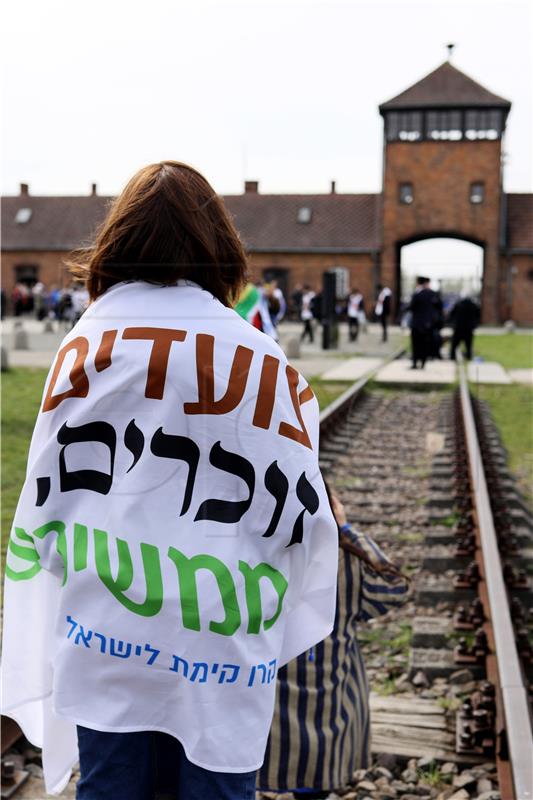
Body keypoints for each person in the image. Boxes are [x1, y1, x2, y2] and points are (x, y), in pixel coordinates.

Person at [1, 161, 339, 800]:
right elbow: (302, 516)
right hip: (223, 635)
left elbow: (45, 497)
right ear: (220, 250)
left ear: (116, 244)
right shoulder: (263, 360)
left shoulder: (84, 349)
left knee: (111, 786)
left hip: (107, 625)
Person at [258, 485, 409, 798]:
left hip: (266, 716)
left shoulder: (259, 552)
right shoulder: (347, 564)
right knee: (314, 784)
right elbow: (396, 585)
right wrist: (347, 529)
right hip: (328, 712)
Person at [408, 277, 435, 369]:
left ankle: (415, 363)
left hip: (416, 323)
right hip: (427, 324)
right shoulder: (431, 294)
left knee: (416, 344)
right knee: (424, 344)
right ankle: (423, 363)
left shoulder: (417, 294)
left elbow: (411, 307)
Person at [449, 294, 481, 360]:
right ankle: (469, 356)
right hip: (469, 328)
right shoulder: (473, 305)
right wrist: (475, 324)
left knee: (454, 344)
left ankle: (452, 356)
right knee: (468, 344)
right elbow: (478, 315)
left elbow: (452, 314)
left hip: (459, 327)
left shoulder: (458, 304)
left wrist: (452, 323)